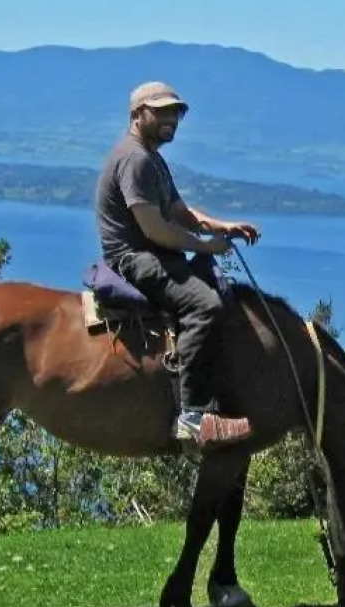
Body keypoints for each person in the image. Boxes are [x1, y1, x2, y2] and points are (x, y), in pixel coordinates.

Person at [95, 81, 262, 448]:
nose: (171, 118)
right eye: (162, 110)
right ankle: (191, 417)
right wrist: (208, 247)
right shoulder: (135, 158)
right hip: (134, 259)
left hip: (152, 253)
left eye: (176, 111)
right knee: (206, 305)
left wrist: (219, 225)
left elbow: (176, 211)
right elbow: (154, 230)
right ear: (138, 114)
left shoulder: (152, 157)